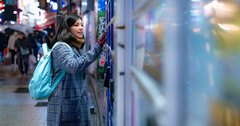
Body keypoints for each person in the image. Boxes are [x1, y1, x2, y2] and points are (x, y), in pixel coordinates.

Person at [47, 14, 106, 126]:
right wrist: (96, 49)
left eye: (82, 25)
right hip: (64, 105)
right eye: (76, 25)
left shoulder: (74, 47)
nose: (80, 28)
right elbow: (72, 66)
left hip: (73, 103)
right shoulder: (61, 47)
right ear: (67, 28)